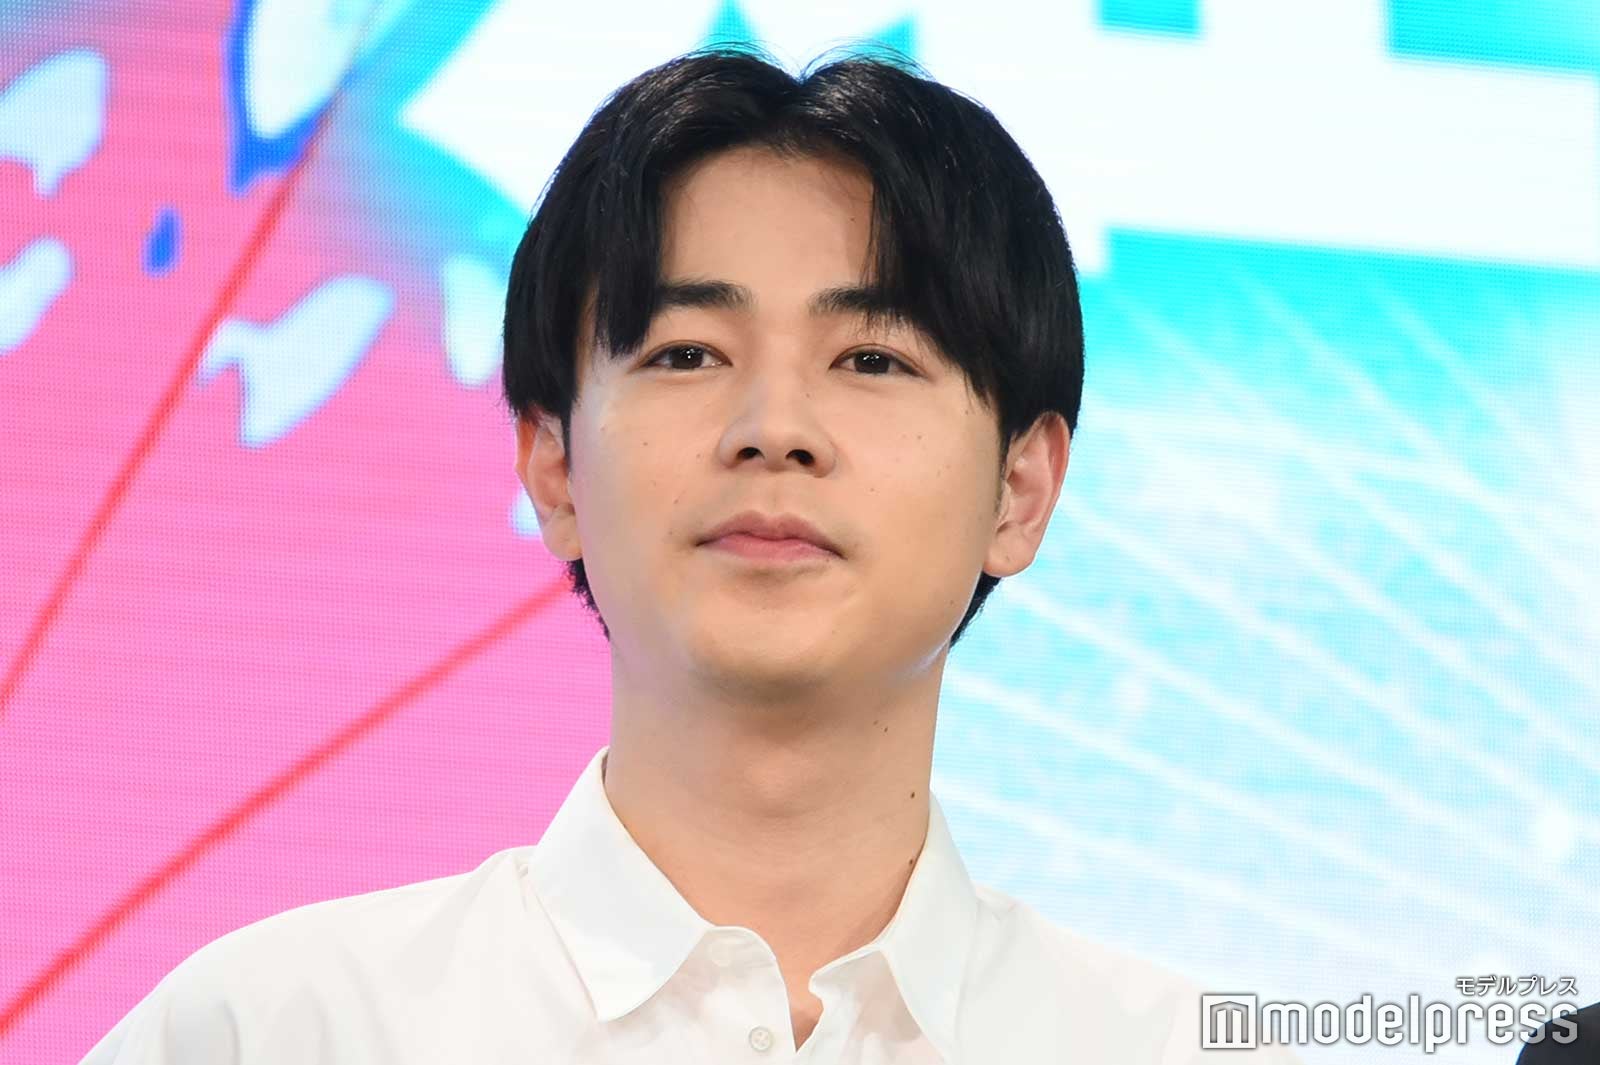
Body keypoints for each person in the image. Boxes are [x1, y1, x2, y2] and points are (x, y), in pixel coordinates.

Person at [81, 47, 1299, 1063]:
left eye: (871, 359)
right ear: (553, 465)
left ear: (1021, 491)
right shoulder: (278, 1031)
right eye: (686, 354)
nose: (773, 428)